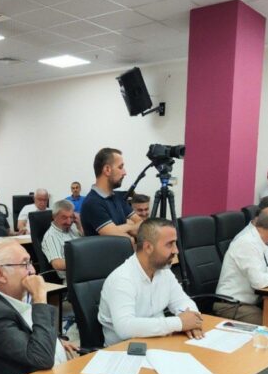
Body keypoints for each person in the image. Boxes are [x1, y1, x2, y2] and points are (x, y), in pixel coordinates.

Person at [0, 238, 78, 374]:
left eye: (30, 262)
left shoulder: (15, 295)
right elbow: (42, 358)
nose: (32, 270)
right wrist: (40, 298)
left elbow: (29, 330)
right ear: (0, 274)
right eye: (24, 264)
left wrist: (56, 340)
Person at [98, 218, 203, 346]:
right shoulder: (122, 279)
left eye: (175, 243)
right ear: (148, 247)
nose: (176, 250)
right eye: (169, 244)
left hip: (160, 343)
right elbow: (125, 328)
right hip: (124, 350)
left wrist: (191, 322)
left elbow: (182, 302)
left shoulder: (164, 271)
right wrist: (180, 323)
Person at [214, 208, 268, 325]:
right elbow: (258, 282)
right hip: (232, 306)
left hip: (252, 303)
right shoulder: (247, 243)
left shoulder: (266, 240)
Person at [80, 147, 141, 238]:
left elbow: (142, 225)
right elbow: (127, 240)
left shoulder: (119, 197)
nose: (124, 172)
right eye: (120, 167)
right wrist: (130, 226)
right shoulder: (92, 203)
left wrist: (123, 228)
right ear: (107, 169)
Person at [41, 199, 81, 282]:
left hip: (87, 273)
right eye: (64, 218)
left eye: (71, 217)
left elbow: (89, 245)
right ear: (54, 217)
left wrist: (79, 225)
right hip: (72, 279)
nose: (69, 222)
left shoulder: (74, 228)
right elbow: (58, 264)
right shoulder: (51, 236)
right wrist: (85, 261)